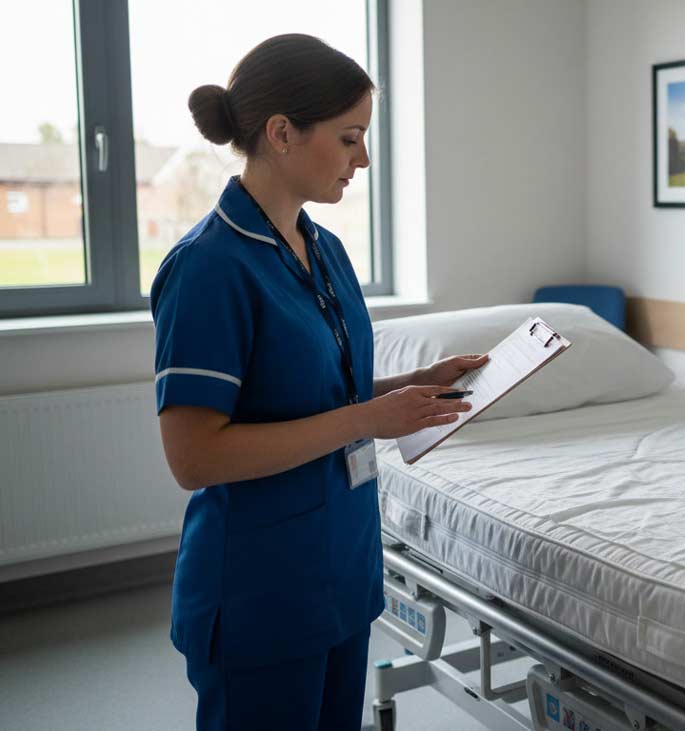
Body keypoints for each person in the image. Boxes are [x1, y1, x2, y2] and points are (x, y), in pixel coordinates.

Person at [151, 33, 487, 730]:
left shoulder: (323, 248)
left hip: (340, 567)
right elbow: (195, 457)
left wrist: (415, 383)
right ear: (281, 133)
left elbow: (324, 391)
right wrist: (369, 418)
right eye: (349, 137)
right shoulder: (210, 268)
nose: (363, 158)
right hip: (259, 590)